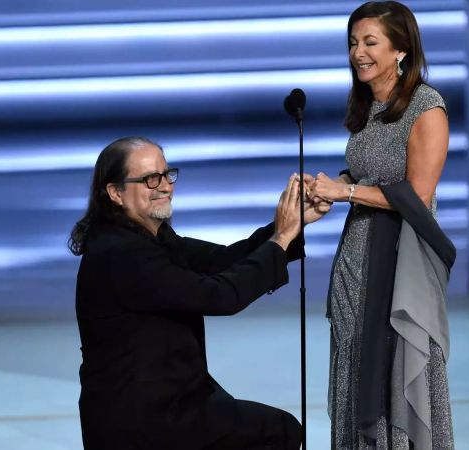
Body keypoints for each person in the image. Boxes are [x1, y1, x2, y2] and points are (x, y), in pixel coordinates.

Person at [69, 136, 329, 449]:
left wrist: (289, 227)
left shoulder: (149, 240)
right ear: (115, 193)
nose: (164, 186)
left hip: (172, 405)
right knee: (277, 431)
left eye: (167, 174)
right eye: (150, 179)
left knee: (275, 429)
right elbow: (220, 296)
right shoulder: (123, 255)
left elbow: (221, 261)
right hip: (144, 421)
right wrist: (281, 237)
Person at [305, 2, 456, 449]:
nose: (358, 52)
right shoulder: (371, 106)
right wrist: (329, 185)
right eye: (353, 42)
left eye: (370, 42)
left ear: (401, 51)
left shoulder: (427, 107)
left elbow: (418, 196)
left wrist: (346, 193)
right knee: (354, 369)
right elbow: (370, 173)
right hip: (355, 266)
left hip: (398, 268)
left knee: (395, 370)